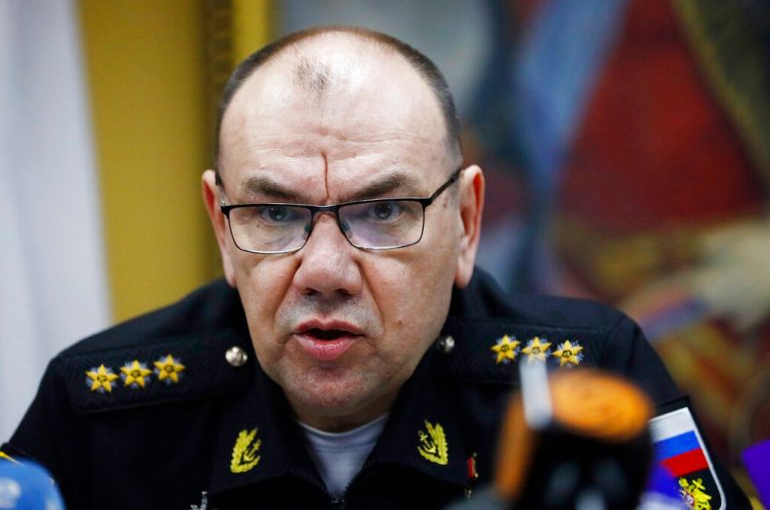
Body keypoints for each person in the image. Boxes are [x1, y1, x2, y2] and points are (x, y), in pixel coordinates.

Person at [0, 27, 750, 510]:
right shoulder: (99, 408)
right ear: (221, 226)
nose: (325, 270)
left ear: (466, 223)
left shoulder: (592, 377)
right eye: (275, 213)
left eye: (384, 210)